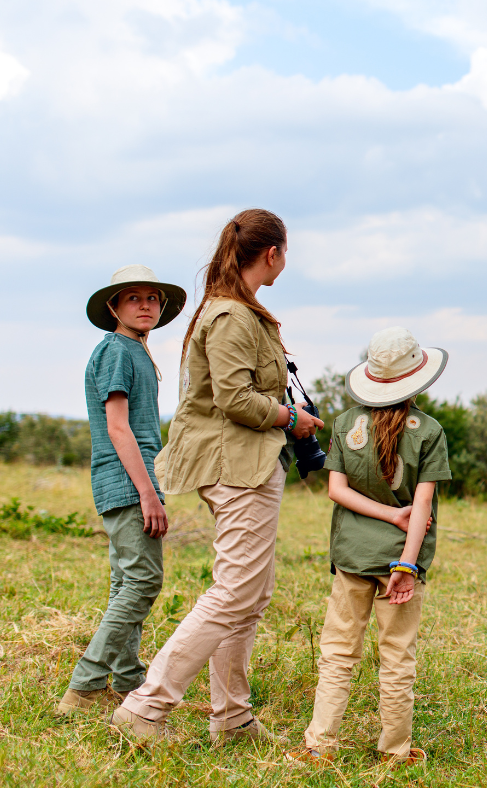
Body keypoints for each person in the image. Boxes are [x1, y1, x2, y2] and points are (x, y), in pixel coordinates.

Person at [111, 208, 322, 743]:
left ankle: (232, 718)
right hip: (237, 466)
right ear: (272, 253)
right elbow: (234, 399)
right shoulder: (230, 315)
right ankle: (145, 707)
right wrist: (293, 418)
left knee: (251, 594)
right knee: (233, 594)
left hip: (247, 463)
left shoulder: (240, 309)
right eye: (285, 251)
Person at [290, 326, 451, 766]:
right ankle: (395, 750)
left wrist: (382, 514)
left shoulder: (345, 423)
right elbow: (421, 508)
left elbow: (336, 491)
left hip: (352, 557)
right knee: (398, 656)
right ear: (417, 376)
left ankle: (319, 745)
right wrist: (406, 563)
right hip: (400, 561)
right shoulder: (430, 431)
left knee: (338, 652)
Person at [56, 265, 187, 716]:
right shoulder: (116, 351)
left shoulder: (133, 351)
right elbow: (118, 428)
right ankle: (85, 684)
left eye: (152, 297)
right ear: (114, 306)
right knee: (144, 581)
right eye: (133, 298)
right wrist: (149, 493)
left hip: (130, 481)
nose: (145, 304)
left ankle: (129, 679)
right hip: (129, 483)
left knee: (124, 583)